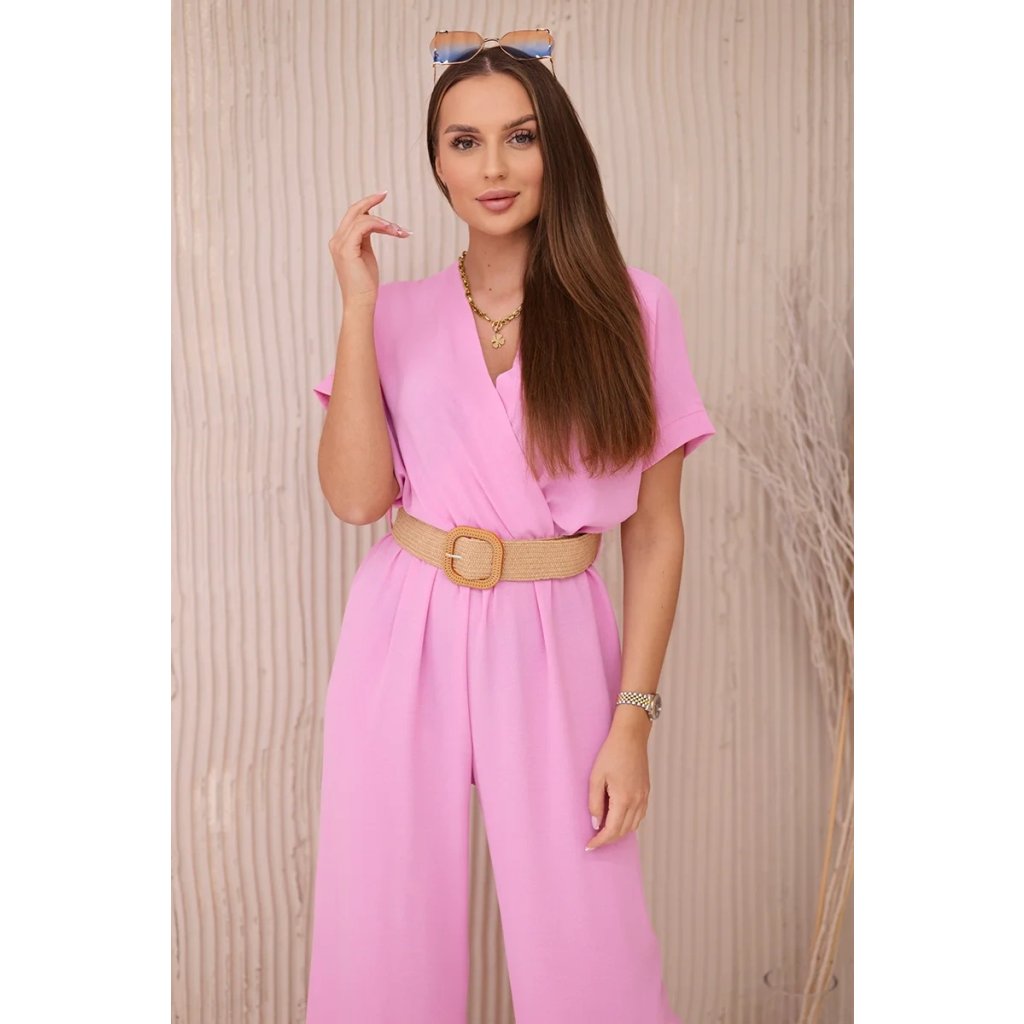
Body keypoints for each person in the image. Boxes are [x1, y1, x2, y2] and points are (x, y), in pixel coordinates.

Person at [305, 33, 715, 1024]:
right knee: (381, 928)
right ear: (436, 163)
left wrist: (633, 719)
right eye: (465, 141)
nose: (493, 166)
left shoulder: (633, 308)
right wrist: (357, 307)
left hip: (555, 631)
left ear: (555, 148)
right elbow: (357, 500)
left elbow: (655, 531)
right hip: (401, 629)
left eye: (520, 137)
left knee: (589, 946)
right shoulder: (394, 314)